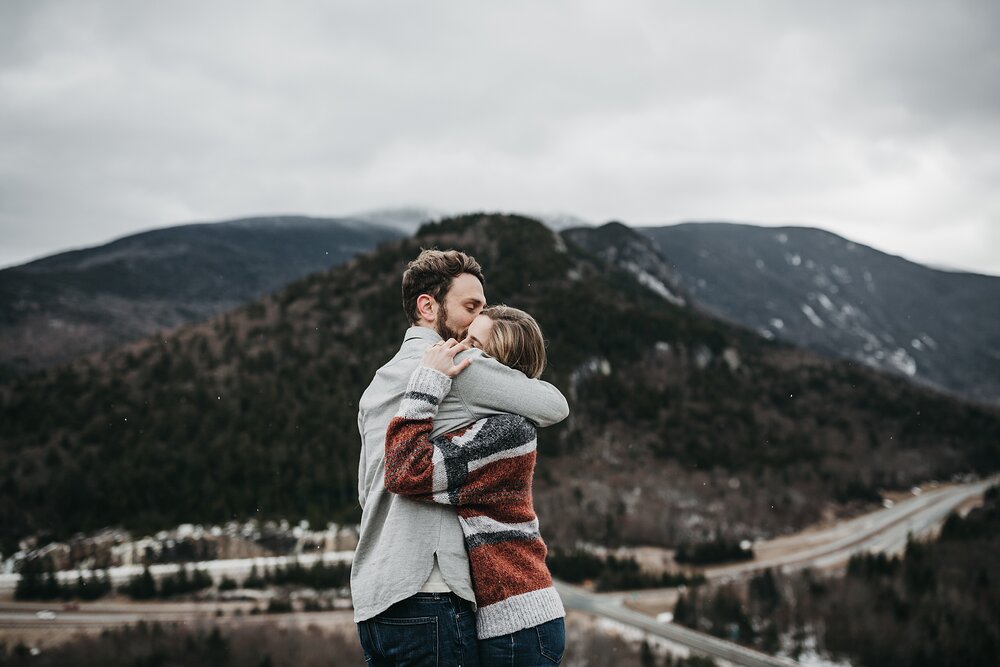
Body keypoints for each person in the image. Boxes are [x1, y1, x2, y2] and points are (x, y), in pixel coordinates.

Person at [353, 250, 569, 667]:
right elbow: (553, 405)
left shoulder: (376, 384)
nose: (475, 322)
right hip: (429, 590)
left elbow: (368, 491)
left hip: (373, 597)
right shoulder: (459, 366)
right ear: (428, 305)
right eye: (470, 307)